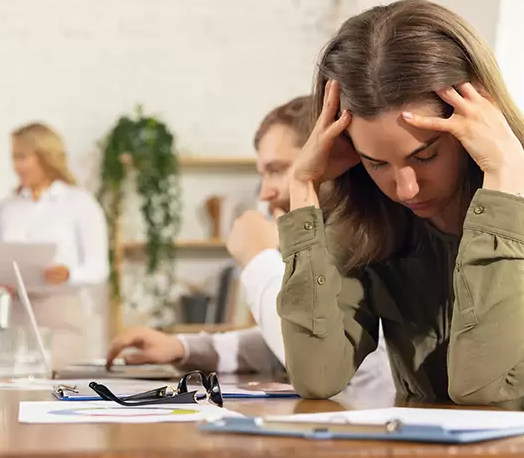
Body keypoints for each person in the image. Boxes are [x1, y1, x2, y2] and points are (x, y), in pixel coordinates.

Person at [277, 0, 524, 424]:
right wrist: (302, 191)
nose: (405, 187)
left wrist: (505, 186)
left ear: (478, 122)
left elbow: (487, 382)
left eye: (426, 155)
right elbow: (316, 375)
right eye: (376, 162)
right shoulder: (366, 225)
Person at [106, 97, 395, 395]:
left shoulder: (370, 244)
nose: (266, 192)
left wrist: (259, 259)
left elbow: (322, 362)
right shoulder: (332, 237)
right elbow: (301, 334)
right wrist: (183, 348)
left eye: (278, 170)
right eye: (263, 174)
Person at [0, 122, 109, 369]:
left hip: (60, 313)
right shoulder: (7, 207)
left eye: (23, 157)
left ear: (45, 157)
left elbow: (99, 268)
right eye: (14, 158)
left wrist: (69, 274)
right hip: (15, 313)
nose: (17, 166)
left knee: (55, 387)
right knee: (12, 392)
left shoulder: (79, 202)